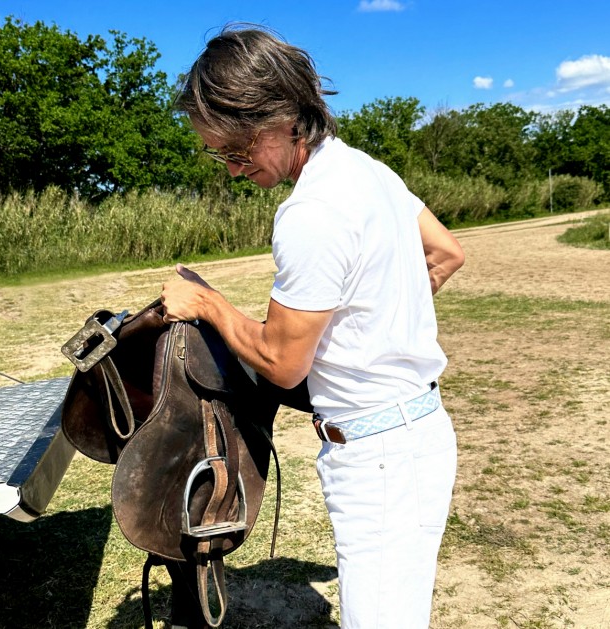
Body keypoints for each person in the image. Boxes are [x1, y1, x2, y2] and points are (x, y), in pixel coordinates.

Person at [161, 24, 465, 629]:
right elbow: (448, 252)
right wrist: (376, 315)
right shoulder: (369, 172)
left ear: (276, 119)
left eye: (235, 150)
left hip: (376, 457)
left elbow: (281, 363)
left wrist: (209, 305)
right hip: (419, 431)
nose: (230, 169)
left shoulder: (312, 212)